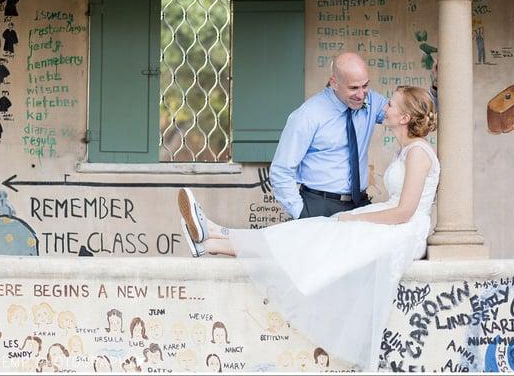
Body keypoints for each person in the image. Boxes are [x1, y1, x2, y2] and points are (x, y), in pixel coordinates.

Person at [178, 85, 439, 371]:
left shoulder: (418, 153)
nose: (383, 107)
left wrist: (355, 219)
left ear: (403, 118)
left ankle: (216, 235)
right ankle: (211, 241)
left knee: (318, 236)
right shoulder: (405, 151)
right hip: (392, 221)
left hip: (405, 230)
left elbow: (405, 211)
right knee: (311, 234)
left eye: (390, 104)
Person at [269, 52, 437, 219]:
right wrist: (301, 212)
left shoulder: (372, 101)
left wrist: (436, 89)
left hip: (360, 205)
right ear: (334, 83)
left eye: (365, 86)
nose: (361, 94)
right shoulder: (307, 115)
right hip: (319, 204)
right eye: (353, 88)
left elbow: (412, 112)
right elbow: (281, 169)